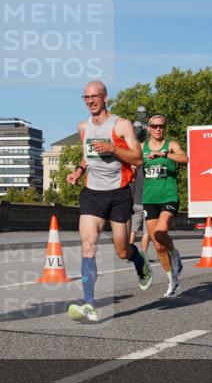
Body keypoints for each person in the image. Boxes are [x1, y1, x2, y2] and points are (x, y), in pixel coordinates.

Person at [65, 80, 151, 324]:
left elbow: (138, 159)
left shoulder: (121, 125)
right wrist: (78, 171)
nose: (90, 101)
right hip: (92, 193)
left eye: (95, 96)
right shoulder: (83, 127)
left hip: (119, 193)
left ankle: (138, 259)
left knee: (122, 250)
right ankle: (89, 304)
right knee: (88, 246)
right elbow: (87, 155)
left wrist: (112, 148)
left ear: (105, 98)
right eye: (86, 97)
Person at [140, 114, 187, 297]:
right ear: (149, 128)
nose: (158, 129)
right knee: (158, 246)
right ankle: (173, 280)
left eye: (161, 126)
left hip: (169, 197)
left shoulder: (171, 145)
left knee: (160, 232)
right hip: (150, 199)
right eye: (155, 126)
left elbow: (185, 158)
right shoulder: (142, 147)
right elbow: (133, 163)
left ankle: (174, 254)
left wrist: (164, 154)